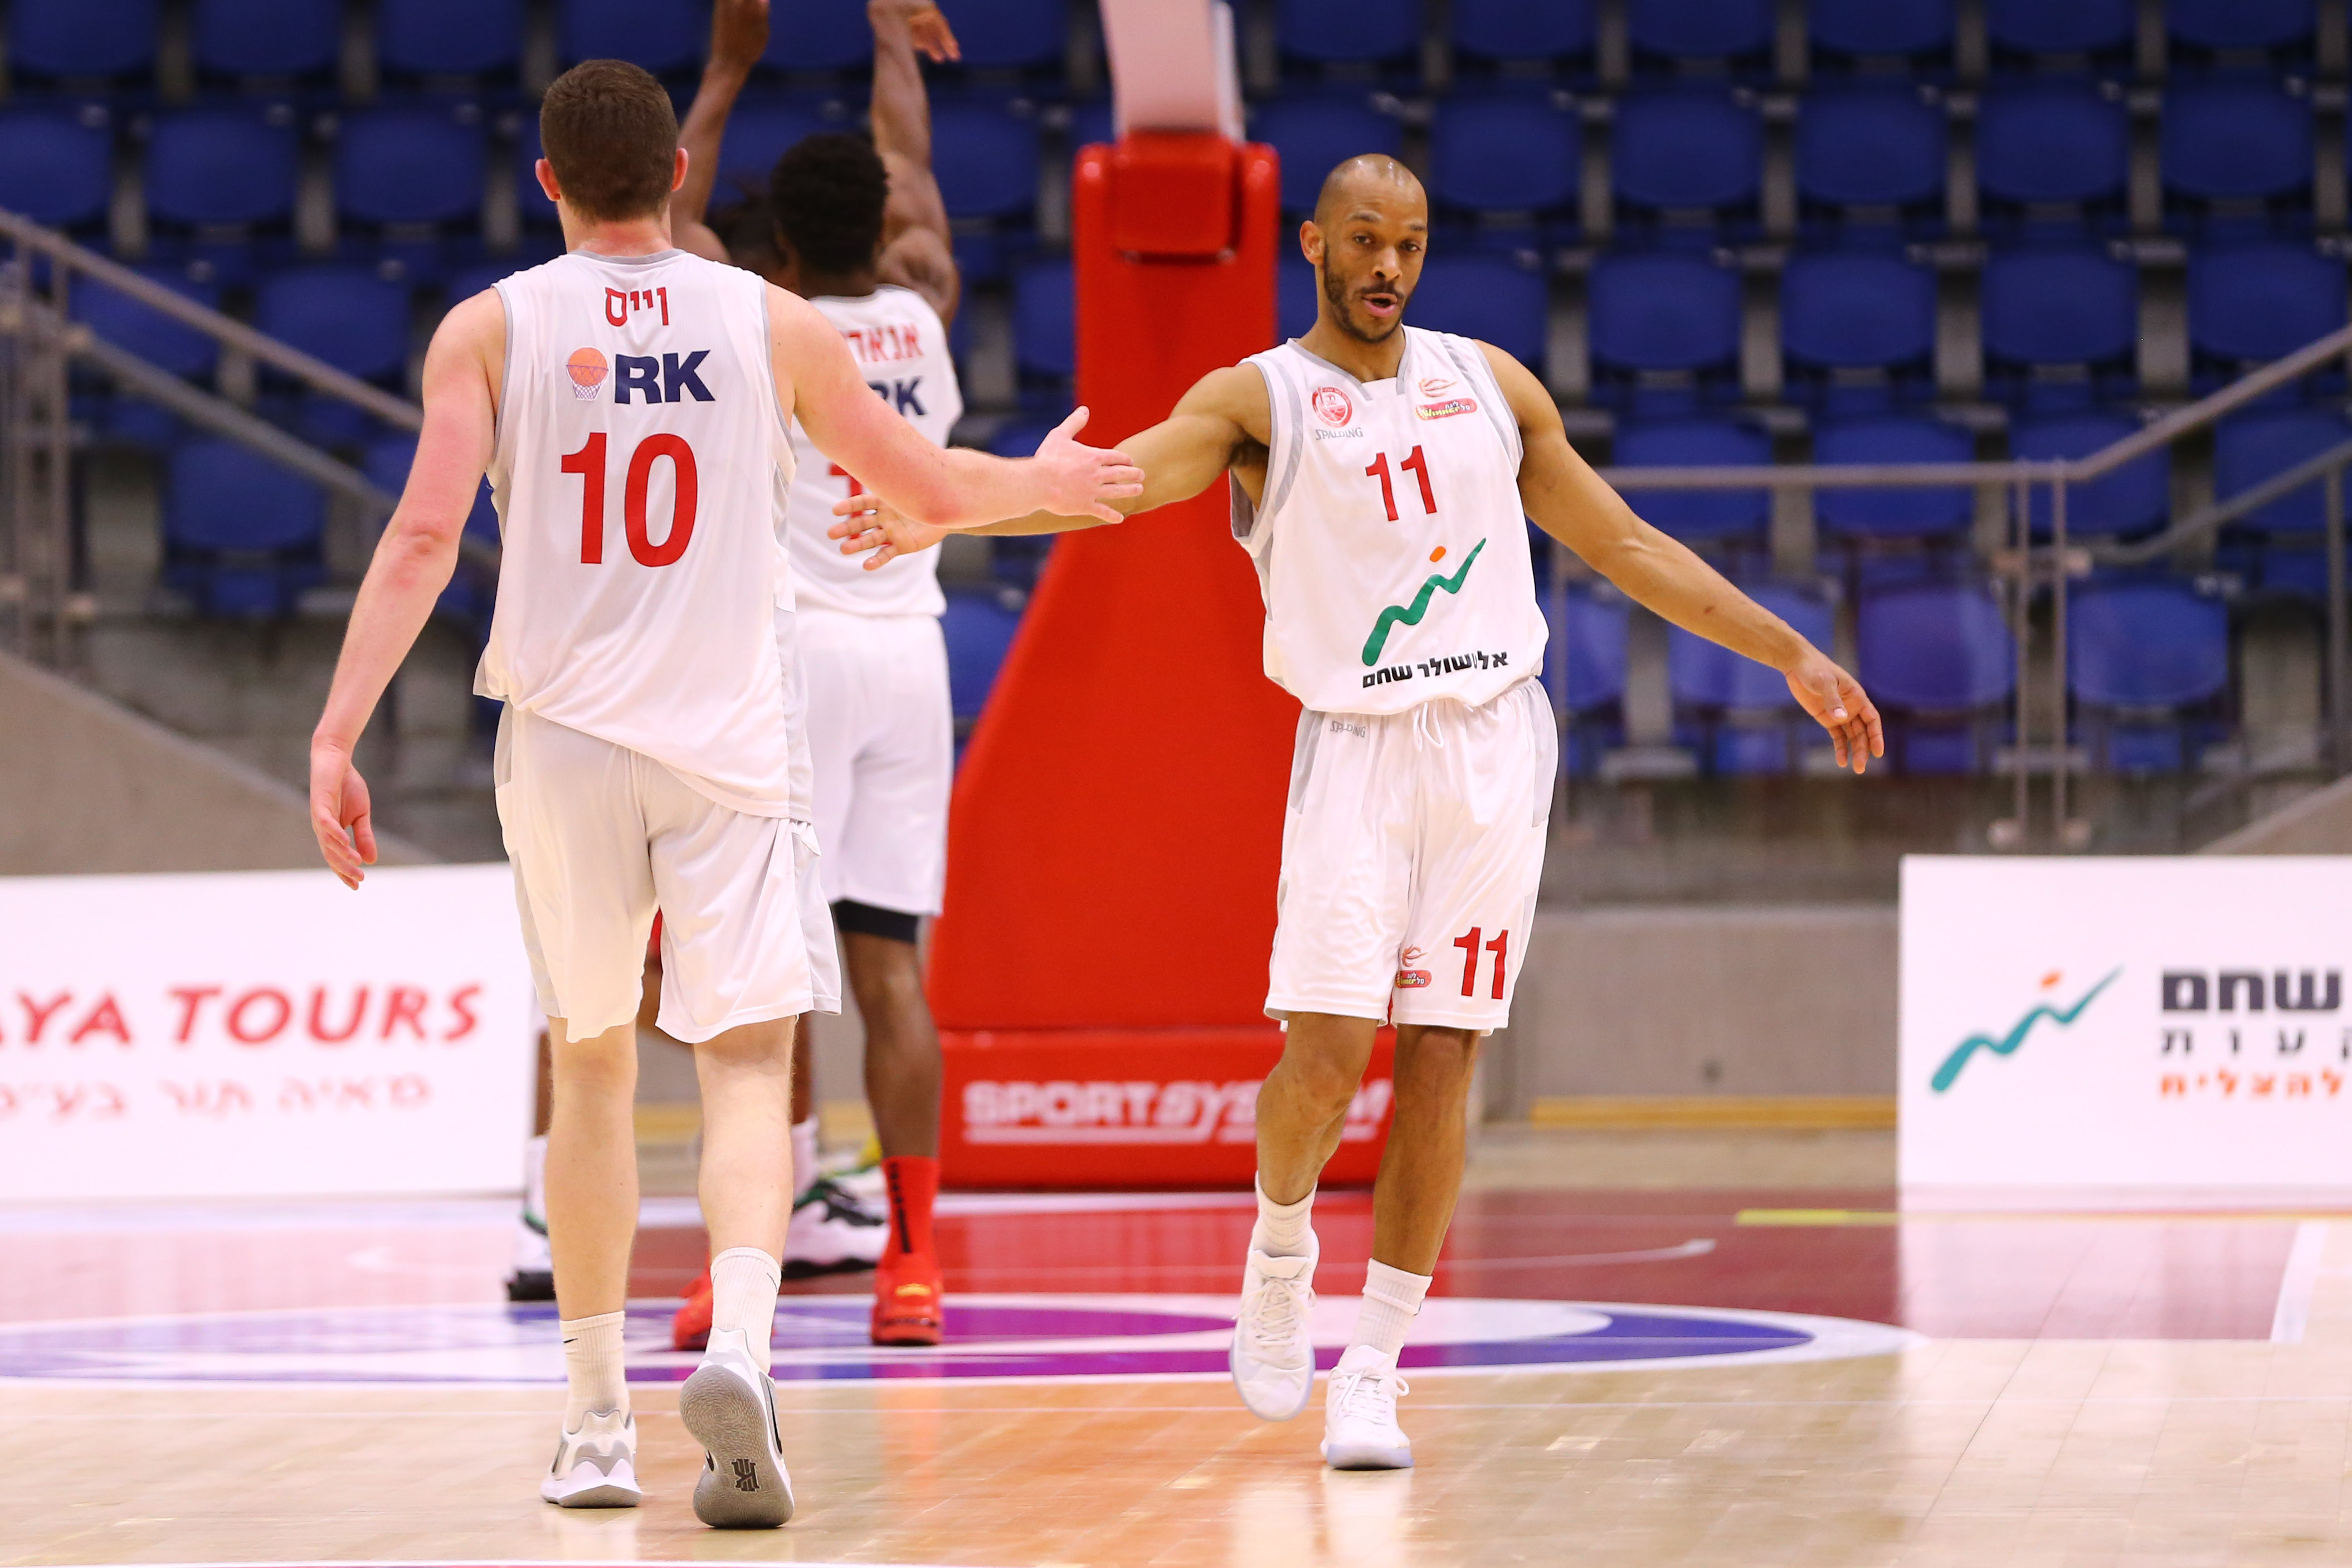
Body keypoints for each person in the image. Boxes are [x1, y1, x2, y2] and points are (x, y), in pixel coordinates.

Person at [831, 154, 1884, 1472]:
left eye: (1411, 243)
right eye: (1367, 240)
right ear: (1315, 246)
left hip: (1493, 746)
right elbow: (1115, 483)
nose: (1389, 265)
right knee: (1326, 1064)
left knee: (1441, 1060)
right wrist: (948, 502)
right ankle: (1278, 1249)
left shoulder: (1490, 385)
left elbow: (1622, 546)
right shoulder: (1257, 400)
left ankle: (1374, 1370)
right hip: (1357, 750)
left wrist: (1789, 652)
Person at [306, 56, 1139, 1524]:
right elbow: (924, 489)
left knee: (591, 1064)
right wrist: (1047, 486)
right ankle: (743, 1346)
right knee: (748, 1064)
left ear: (548, 182)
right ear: (677, 177)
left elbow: (425, 538)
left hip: (565, 743)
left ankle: (592, 1424)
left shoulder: (490, 326)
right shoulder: (770, 319)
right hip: (733, 740)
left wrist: (336, 733)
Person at [663, 0, 967, 1349]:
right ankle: (913, 1264)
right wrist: (892, 34)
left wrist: (728, 68)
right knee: (890, 970)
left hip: (796, 663)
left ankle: (749, 1264)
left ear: (777, 242)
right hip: (909, 660)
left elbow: (669, 220)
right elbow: (911, 166)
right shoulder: (922, 305)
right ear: (885, 229)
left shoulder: (756, 322)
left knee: (767, 979)